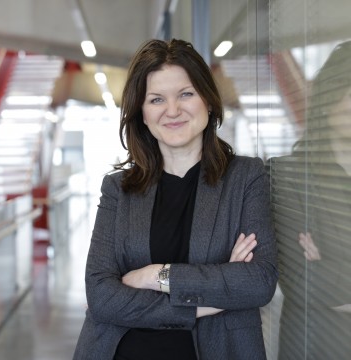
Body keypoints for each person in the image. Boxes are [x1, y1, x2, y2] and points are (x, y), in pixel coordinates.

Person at [73, 38, 278, 360]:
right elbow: (101, 296)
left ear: (208, 101)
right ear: (141, 112)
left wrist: (154, 276)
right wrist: (216, 296)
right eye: (156, 99)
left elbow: (258, 282)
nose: (173, 110)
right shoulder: (118, 189)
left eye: (186, 94)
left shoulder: (245, 178)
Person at [269, 41, 351, 359]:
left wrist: (327, 267)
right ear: (331, 95)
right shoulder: (287, 175)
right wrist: (317, 272)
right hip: (315, 348)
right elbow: (302, 280)